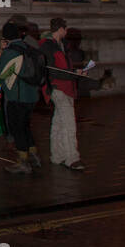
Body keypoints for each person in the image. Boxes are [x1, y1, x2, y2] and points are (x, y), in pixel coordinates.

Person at [0, 21, 45, 176]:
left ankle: (23, 162)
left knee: (17, 128)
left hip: (17, 96)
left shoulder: (10, 52)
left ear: (5, 37)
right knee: (25, 126)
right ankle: (34, 156)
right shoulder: (28, 47)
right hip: (31, 95)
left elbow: (0, 73)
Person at [41, 17, 85, 170]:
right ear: (60, 29)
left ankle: (57, 155)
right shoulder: (48, 46)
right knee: (68, 124)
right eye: (65, 29)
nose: (66, 32)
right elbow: (54, 71)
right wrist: (74, 73)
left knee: (59, 122)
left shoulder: (60, 45)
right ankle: (72, 158)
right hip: (57, 87)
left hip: (65, 87)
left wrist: (74, 73)